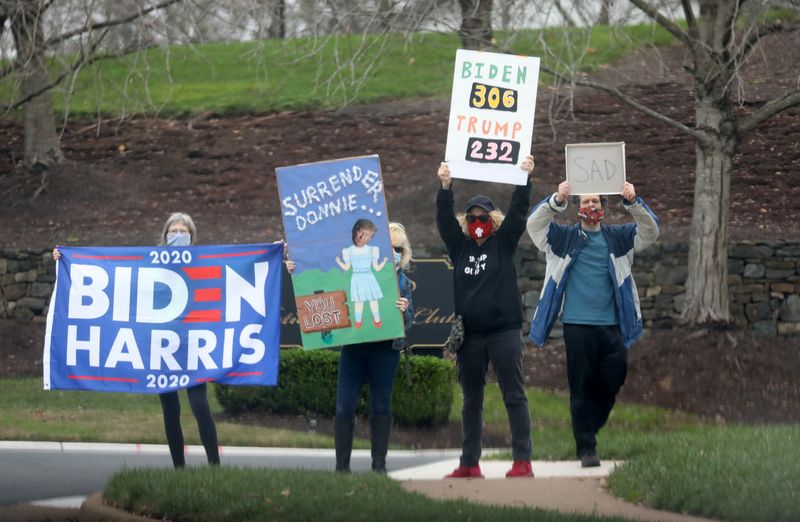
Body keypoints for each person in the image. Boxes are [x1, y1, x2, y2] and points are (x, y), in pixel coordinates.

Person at [53, 212, 220, 468]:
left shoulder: (205, 262)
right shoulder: (150, 264)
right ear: (164, 237)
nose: (178, 236)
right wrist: (64, 259)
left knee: (200, 405)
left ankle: (215, 467)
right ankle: (179, 468)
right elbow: (116, 277)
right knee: (170, 409)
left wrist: (274, 255)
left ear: (192, 236)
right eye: (172, 232)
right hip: (161, 346)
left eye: (183, 232)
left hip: (193, 344)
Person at [526, 181, 659, 467]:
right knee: (581, 386)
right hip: (577, 325)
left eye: (595, 202)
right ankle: (586, 447)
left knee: (615, 375)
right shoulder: (562, 239)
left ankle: (590, 424)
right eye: (585, 202)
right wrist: (556, 200)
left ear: (603, 206)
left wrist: (634, 202)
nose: (590, 206)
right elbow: (534, 226)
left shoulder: (619, 238)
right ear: (577, 208)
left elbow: (651, 231)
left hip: (612, 325)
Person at [436, 155, 536, 479]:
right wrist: (445, 186)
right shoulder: (459, 247)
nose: (478, 220)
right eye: (472, 216)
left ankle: (522, 461)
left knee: (514, 394)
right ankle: (469, 463)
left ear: (492, 218)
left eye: (483, 216)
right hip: (471, 337)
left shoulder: (503, 243)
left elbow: (520, 212)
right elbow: (443, 221)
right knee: (471, 401)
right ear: (467, 220)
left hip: (503, 332)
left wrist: (524, 179)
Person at [334, 222, 414, 473]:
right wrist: (295, 267)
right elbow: (325, 279)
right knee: (344, 405)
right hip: (354, 348)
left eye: (399, 248)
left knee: (381, 405)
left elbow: (409, 320)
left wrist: (404, 311)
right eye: (389, 248)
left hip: (385, 350)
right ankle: (341, 468)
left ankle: (379, 466)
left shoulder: (402, 282)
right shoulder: (351, 274)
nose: (394, 253)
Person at [335, 219, 389, 329]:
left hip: (369, 277)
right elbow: (347, 267)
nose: (361, 237)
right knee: (358, 302)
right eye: (360, 232)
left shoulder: (372, 250)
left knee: (373, 300)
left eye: (367, 235)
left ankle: (377, 319)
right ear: (355, 231)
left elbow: (377, 268)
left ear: (370, 238)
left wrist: (383, 261)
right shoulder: (348, 251)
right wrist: (339, 262)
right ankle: (358, 322)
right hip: (357, 278)